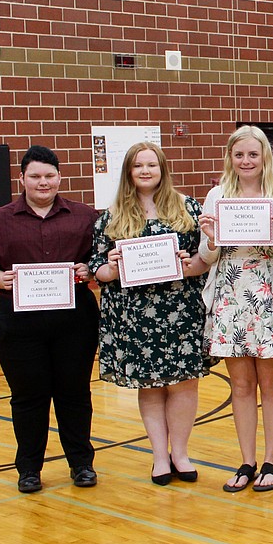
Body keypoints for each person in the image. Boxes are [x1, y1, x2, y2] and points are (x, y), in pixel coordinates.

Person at [0, 146, 100, 493]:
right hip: (17, 323)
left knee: (74, 393)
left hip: (74, 321)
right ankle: (29, 469)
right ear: (22, 179)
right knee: (28, 396)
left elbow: (99, 260)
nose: (43, 182)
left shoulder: (86, 216)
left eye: (50, 176)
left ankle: (82, 464)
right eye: (36, 176)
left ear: (59, 178)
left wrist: (89, 269)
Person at [90, 142, 208, 486]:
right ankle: (159, 456)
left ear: (162, 169)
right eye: (138, 165)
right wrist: (110, 268)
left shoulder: (188, 209)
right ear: (128, 171)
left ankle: (181, 454)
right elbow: (97, 270)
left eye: (151, 165)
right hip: (135, 315)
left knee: (184, 384)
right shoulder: (111, 218)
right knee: (151, 387)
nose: (145, 171)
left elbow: (206, 257)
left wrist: (193, 266)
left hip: (180, 310)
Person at [197, 126, 273, 493]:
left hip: (270, 293)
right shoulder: (217, 195)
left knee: (271, 383)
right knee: (240, 385)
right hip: (230, 295)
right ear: (230, 157)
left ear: (265, 156)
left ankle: (272, 460)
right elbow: (207, 257)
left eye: (253, 154)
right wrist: (209, 237)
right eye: (239, 155)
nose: (246, 161)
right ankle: (246, 461)